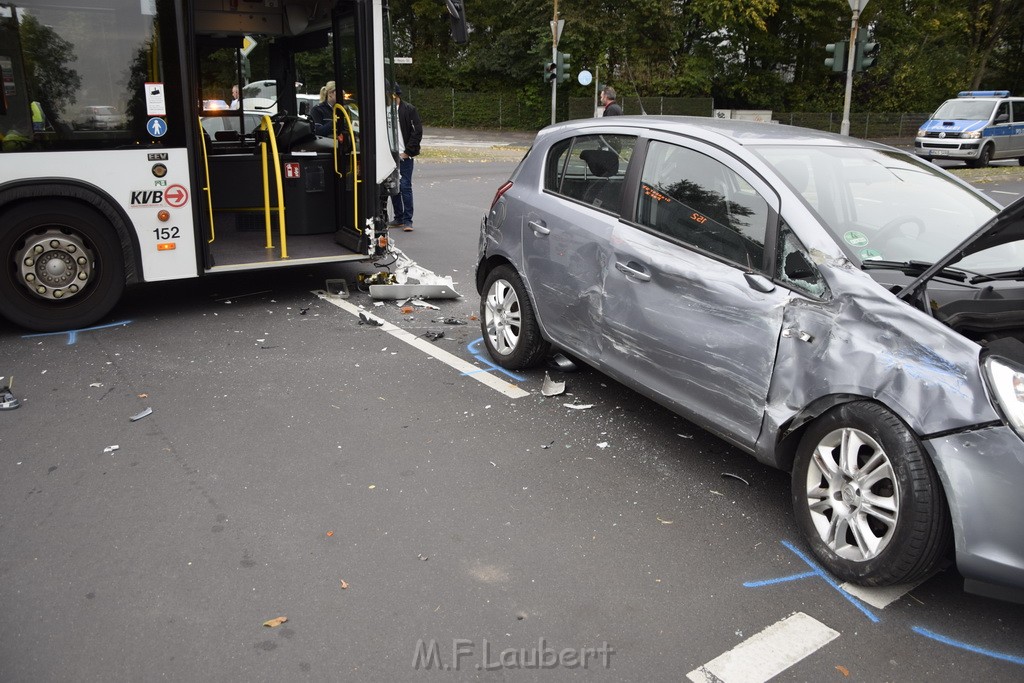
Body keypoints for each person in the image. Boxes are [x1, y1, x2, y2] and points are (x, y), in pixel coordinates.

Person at [390, 84, 422, 232]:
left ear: (395, 95)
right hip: (390, 156)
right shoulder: (385, 111)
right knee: (392, 187)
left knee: (404, 186)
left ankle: (408, 220)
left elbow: (417, 132)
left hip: (404, 156)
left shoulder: (409, 110)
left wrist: (408, 152)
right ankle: (399, 218)